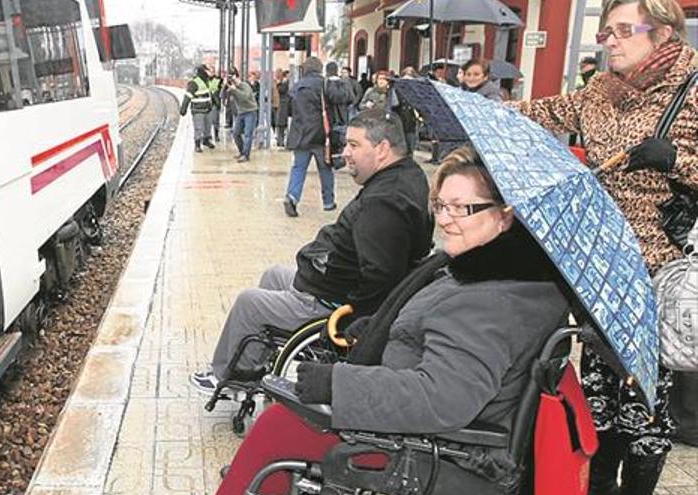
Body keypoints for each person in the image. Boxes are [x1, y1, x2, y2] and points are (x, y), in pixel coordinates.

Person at [214, 146, 570, 495]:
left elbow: (441, 399)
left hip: (434, 453)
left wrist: (337, 384)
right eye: (441, 206)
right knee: (281, 422)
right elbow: (436, 333)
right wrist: (377, 329)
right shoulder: (491, 273)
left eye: (461, 208)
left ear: (505, 215)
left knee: (282, 424)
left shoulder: (490, 303)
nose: (445, 219)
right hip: (427, 434)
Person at [512, 1, 697, 493]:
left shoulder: (694, 89)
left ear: (661, 33)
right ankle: (598, 487)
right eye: (604, 31)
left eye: (621, 30)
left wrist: (676, 160)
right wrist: (474, 109)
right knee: (600, 399)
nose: (609, 40)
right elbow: (543, 111)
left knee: (644, 409)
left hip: (656, 273)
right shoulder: (599, 90)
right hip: (600, 268)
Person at [190, 108, 434, 394]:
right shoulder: (407, 174)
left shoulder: (384, 203)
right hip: (328, 283)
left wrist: (351, 319)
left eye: (354, 145)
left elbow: (380, 275)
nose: (345, 153)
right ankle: (254, 362)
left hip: (329, 301)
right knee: (274, 275)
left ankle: (230, 377)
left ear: (382, 149)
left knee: (249, 302)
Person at [283, 57, 335, 216]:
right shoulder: (324, 84)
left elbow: (289, 111)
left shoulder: (296, 87)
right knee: (325, 169)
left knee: (298, 168)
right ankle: (328, 202)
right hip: (321, 135)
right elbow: (341, 99)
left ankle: (292, 197)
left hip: (300, 135)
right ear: (320, 69)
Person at [324, 62, 354, 169]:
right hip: (343, 116)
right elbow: (351, 98)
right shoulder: (344, 83)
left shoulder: (326, 84)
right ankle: (339, 159)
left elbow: (329, 98)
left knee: (331, 140)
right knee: (340, 140)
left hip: (330, 117)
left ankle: (331, 160)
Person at [226, 70, 259, 163]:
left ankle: (246, 155)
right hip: (241, 112)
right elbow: (224, 95)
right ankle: (242, 152)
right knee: (236, 133)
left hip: (250, 112)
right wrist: (226, 87)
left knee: (248, 134)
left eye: (234, 79)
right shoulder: (233, 88)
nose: (233, 82)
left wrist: (235, 90)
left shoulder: (245, 86)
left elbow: (244, 97)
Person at [180, 64, 215, 152]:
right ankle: (197, 144)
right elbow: (187, 96)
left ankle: (206, 141)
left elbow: (209, 93)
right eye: (207, 70)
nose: (209, 72)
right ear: (203, 71)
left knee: (208, 126)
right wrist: (183, 109)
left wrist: (215, 102)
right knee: (199, 127)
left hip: (208, 108)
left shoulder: (206, 81)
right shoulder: (194, 82)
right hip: (198, 109)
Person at [275, 70, 291, 148]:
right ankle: (280, 141)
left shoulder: (288, 84)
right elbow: (281, 90)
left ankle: (283, 141)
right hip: (284, 106)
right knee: (281, 124)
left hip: (288, 106)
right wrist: (280, 83)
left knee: (285, 124)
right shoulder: (283, 84)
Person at [207, 65, 222, 142]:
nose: (211, 73)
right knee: (207, 120)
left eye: (212, 71)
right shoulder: (205, 80)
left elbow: (222, 89)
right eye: (210, 71)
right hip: (207, 102)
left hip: (215, 102)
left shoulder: (218, 80)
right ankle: (208, 135)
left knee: (215, 119)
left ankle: (216, 135)